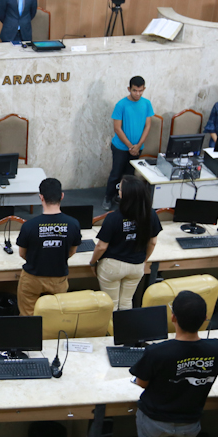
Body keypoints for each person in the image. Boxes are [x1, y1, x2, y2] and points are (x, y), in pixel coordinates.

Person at [131, 291, 218, 437]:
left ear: (173, 317)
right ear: (204, 319)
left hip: (155, 420)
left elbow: (141, 382)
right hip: (189, 422)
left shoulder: (157, 352)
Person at [90, 175, 162, 310]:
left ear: (124, 195)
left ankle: (111, 325)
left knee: (111, 304)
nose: (118, 191)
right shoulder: (151, 215)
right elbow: (152, 242)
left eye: (120, 188)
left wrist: (93, 262)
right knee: (126, 302)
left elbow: (101, 247)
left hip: (112, 266)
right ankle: (125, 324)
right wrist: (144, 260)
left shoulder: (113, 218)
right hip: (136, 266)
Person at [15, 178, 81, 317]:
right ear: (62, 196)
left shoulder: (29, 226)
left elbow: (22, 253)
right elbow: (72, 251)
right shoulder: (73, 224)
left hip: (32, 278)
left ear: (41, 197)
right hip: (59, 278)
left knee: (28, 316)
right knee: (56, 317)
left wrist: (38, 257)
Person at [105, 76, 154, 210]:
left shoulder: (146, 104)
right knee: (116, 173)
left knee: (130, 175)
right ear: (129, 89)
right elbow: (117, 128)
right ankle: (108, 197)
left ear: (144, 89)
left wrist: (138, 146)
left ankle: (126, 200)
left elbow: (148, 126)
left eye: (140, 90)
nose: (137, 93)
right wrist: (130, 146)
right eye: (134, 90)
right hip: (120, 147)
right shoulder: (121, 105)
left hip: (138, 147)